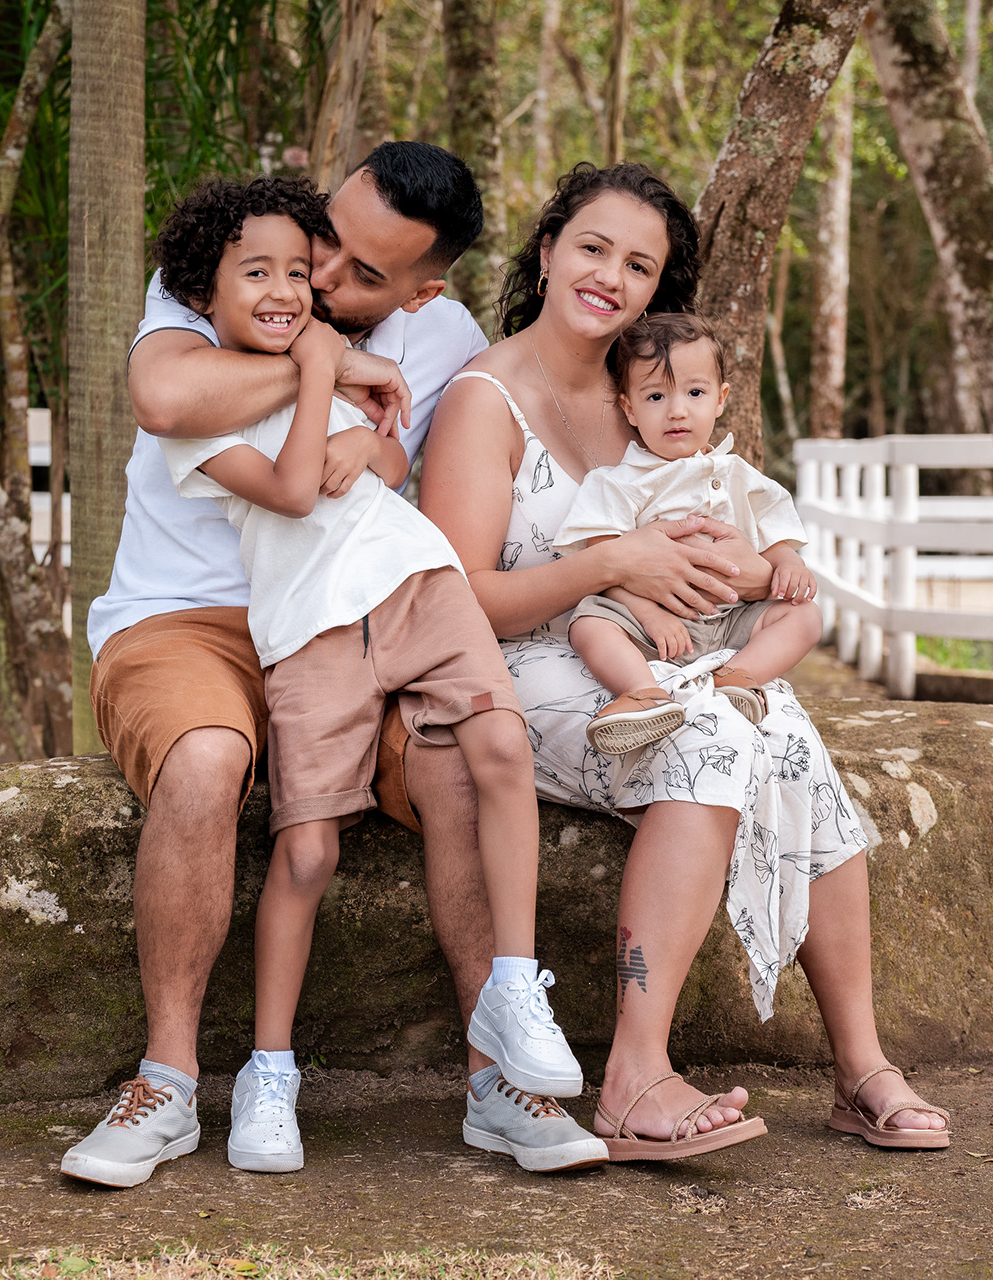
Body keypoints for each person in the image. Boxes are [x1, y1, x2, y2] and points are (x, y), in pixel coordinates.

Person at [61, 143, 608, 1189]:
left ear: (420, 291)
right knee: (207, 756)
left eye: (359, 273)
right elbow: (166, 397)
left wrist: (374, 436)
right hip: (184, 621)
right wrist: (325, 357)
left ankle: (499, 1081)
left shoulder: (444, 337)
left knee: (458, 757)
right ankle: (166, 1084)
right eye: (325, 237)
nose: (314, 277)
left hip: (347, 614)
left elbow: (402, 454)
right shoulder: (230, 269)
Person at [420, 162, 952, 1159]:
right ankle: (635, 1075)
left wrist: (746, 570)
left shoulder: (662, 393)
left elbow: (743, 546)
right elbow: (455, 599)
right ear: (547, 252)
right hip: (526, 660)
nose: (610, 277)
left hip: (674, 652)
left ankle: (860, 1064)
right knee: (710, 737)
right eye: (592, 248)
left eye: (639, 264)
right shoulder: (484, 401)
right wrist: (612, 565)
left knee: (788, 735)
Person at [557, 312, 824, 755]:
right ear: (629, 408)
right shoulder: (617, 483)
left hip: (731, 620)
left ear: (721, 399)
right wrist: (649, 615)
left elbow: (774, 535)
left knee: (805, 615)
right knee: (589, 622)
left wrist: (788, 562)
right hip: (650, 626)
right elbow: (602, 565)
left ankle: (738, 677)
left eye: (695, 393)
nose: (677, 410)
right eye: (656, 396)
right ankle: (642, 694)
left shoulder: (739, 475)